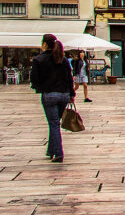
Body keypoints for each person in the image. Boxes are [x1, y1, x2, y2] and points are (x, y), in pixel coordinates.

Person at [30, 34, 75, 163]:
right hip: (64, 95)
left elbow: (34, 79)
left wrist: (40, 88)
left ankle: (58, 152)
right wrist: (71, 94)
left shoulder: (38, 60)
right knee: (55, 123)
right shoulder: (63, 59)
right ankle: (51, 150)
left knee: (54, 124)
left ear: (45, 44)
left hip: (49, 95)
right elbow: (69, 78)